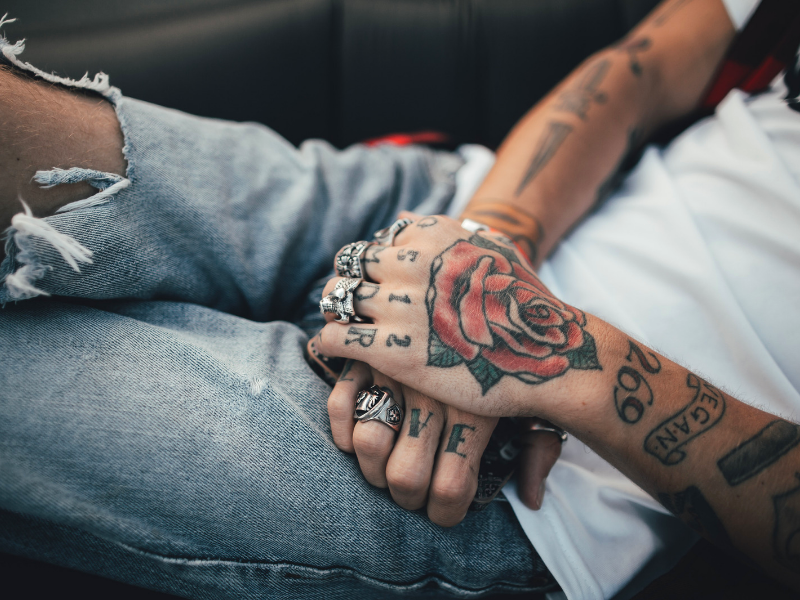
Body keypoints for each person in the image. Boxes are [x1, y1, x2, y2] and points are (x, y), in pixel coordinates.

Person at [0, 0, 797, 598]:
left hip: (558, 485)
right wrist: (489, 246)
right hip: (463, 209)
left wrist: (556, 358)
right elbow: (644, 67)